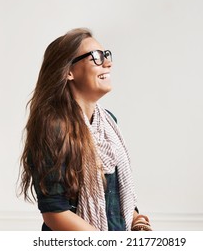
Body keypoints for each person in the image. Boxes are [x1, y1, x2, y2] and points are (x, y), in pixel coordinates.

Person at [19, 28, 152, 231]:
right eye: (96, 57)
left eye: (106, 55)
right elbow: (55, 213)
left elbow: (116, 197)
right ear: (68, 71)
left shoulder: (109, 124)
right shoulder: (53, 128)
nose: (108, 63)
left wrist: (135, 221)